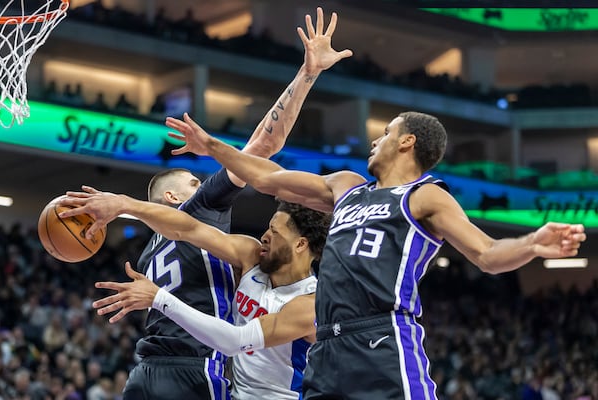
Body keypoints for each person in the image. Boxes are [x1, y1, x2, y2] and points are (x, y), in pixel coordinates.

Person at [160, 111, 587, 400]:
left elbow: (488, 254)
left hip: (382, 339)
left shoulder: (424, 197)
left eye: (385, 133)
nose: (374, 138)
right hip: (326, 347)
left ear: (407, 142)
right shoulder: (346, 186)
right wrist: (211, 146)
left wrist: (531, 243)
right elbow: (270, 179)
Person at [63, 7, 351, 400]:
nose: (204, 185)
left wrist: (124, 207)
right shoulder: (198, 209)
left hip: (144, 370)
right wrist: (307, 74)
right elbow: (262, 149)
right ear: (173, 197)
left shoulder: (151, 249)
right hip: (196, 371)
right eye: (195, 182)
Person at [59, 194, 330, 400]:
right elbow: (188, 229)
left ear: (300, 244)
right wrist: (124, 205)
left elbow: (235, 342)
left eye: (275, 231)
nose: (265, 236)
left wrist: (159, 298)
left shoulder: (310, 304)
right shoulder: (252, 255)